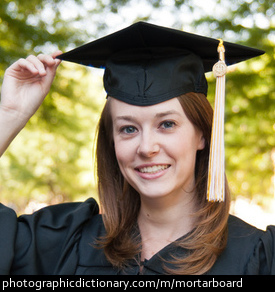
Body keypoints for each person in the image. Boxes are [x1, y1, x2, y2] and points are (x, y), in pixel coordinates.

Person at [0, 22, 274, 275]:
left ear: (202, 135)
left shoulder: (257, 257)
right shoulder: (63, 243)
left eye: (167, 124)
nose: (146, 147)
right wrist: (8, 115)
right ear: (112, 141)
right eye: (128, 129)